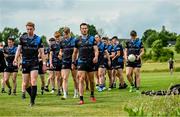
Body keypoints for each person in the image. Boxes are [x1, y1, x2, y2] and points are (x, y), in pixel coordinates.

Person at [13, 22, 46, 106]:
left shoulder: (38, 39)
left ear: (34, 29)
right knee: (25, 83)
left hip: (34, 62)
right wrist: (15, 59)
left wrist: (44, 63)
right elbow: (18, 50)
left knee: (33, 80)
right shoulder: (22, 38)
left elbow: (42, 53)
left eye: (31, 29)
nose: (29, 31)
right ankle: (32, 95)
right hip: (25, 62)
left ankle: (32, 101)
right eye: (27, 29)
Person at [72, 23, 99, 105]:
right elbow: (75, 52)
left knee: (91, 80)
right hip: (81, 61)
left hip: (90, 62)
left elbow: (96, 50)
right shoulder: (77, 40)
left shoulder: (92, 39)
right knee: (81, 79)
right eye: (83, 28)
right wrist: (73, 62)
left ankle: (92, 94)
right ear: (80, 30)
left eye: (86, 28)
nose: (84, 29)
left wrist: (96, 57)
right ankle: (81, 99)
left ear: (87, 29)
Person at [59, 27, 78, 99]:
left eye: (66, 34)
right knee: (64, 78)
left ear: (69, 33)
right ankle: (65, 94)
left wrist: (75, 61)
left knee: (75, 78)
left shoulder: (75, 40)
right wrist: (60, 54)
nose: (65, 36)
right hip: (65, 60)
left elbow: (77, 51)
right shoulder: (62, 41)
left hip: (73, 61)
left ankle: (76, 92)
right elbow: (61, 50)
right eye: (64, 34)